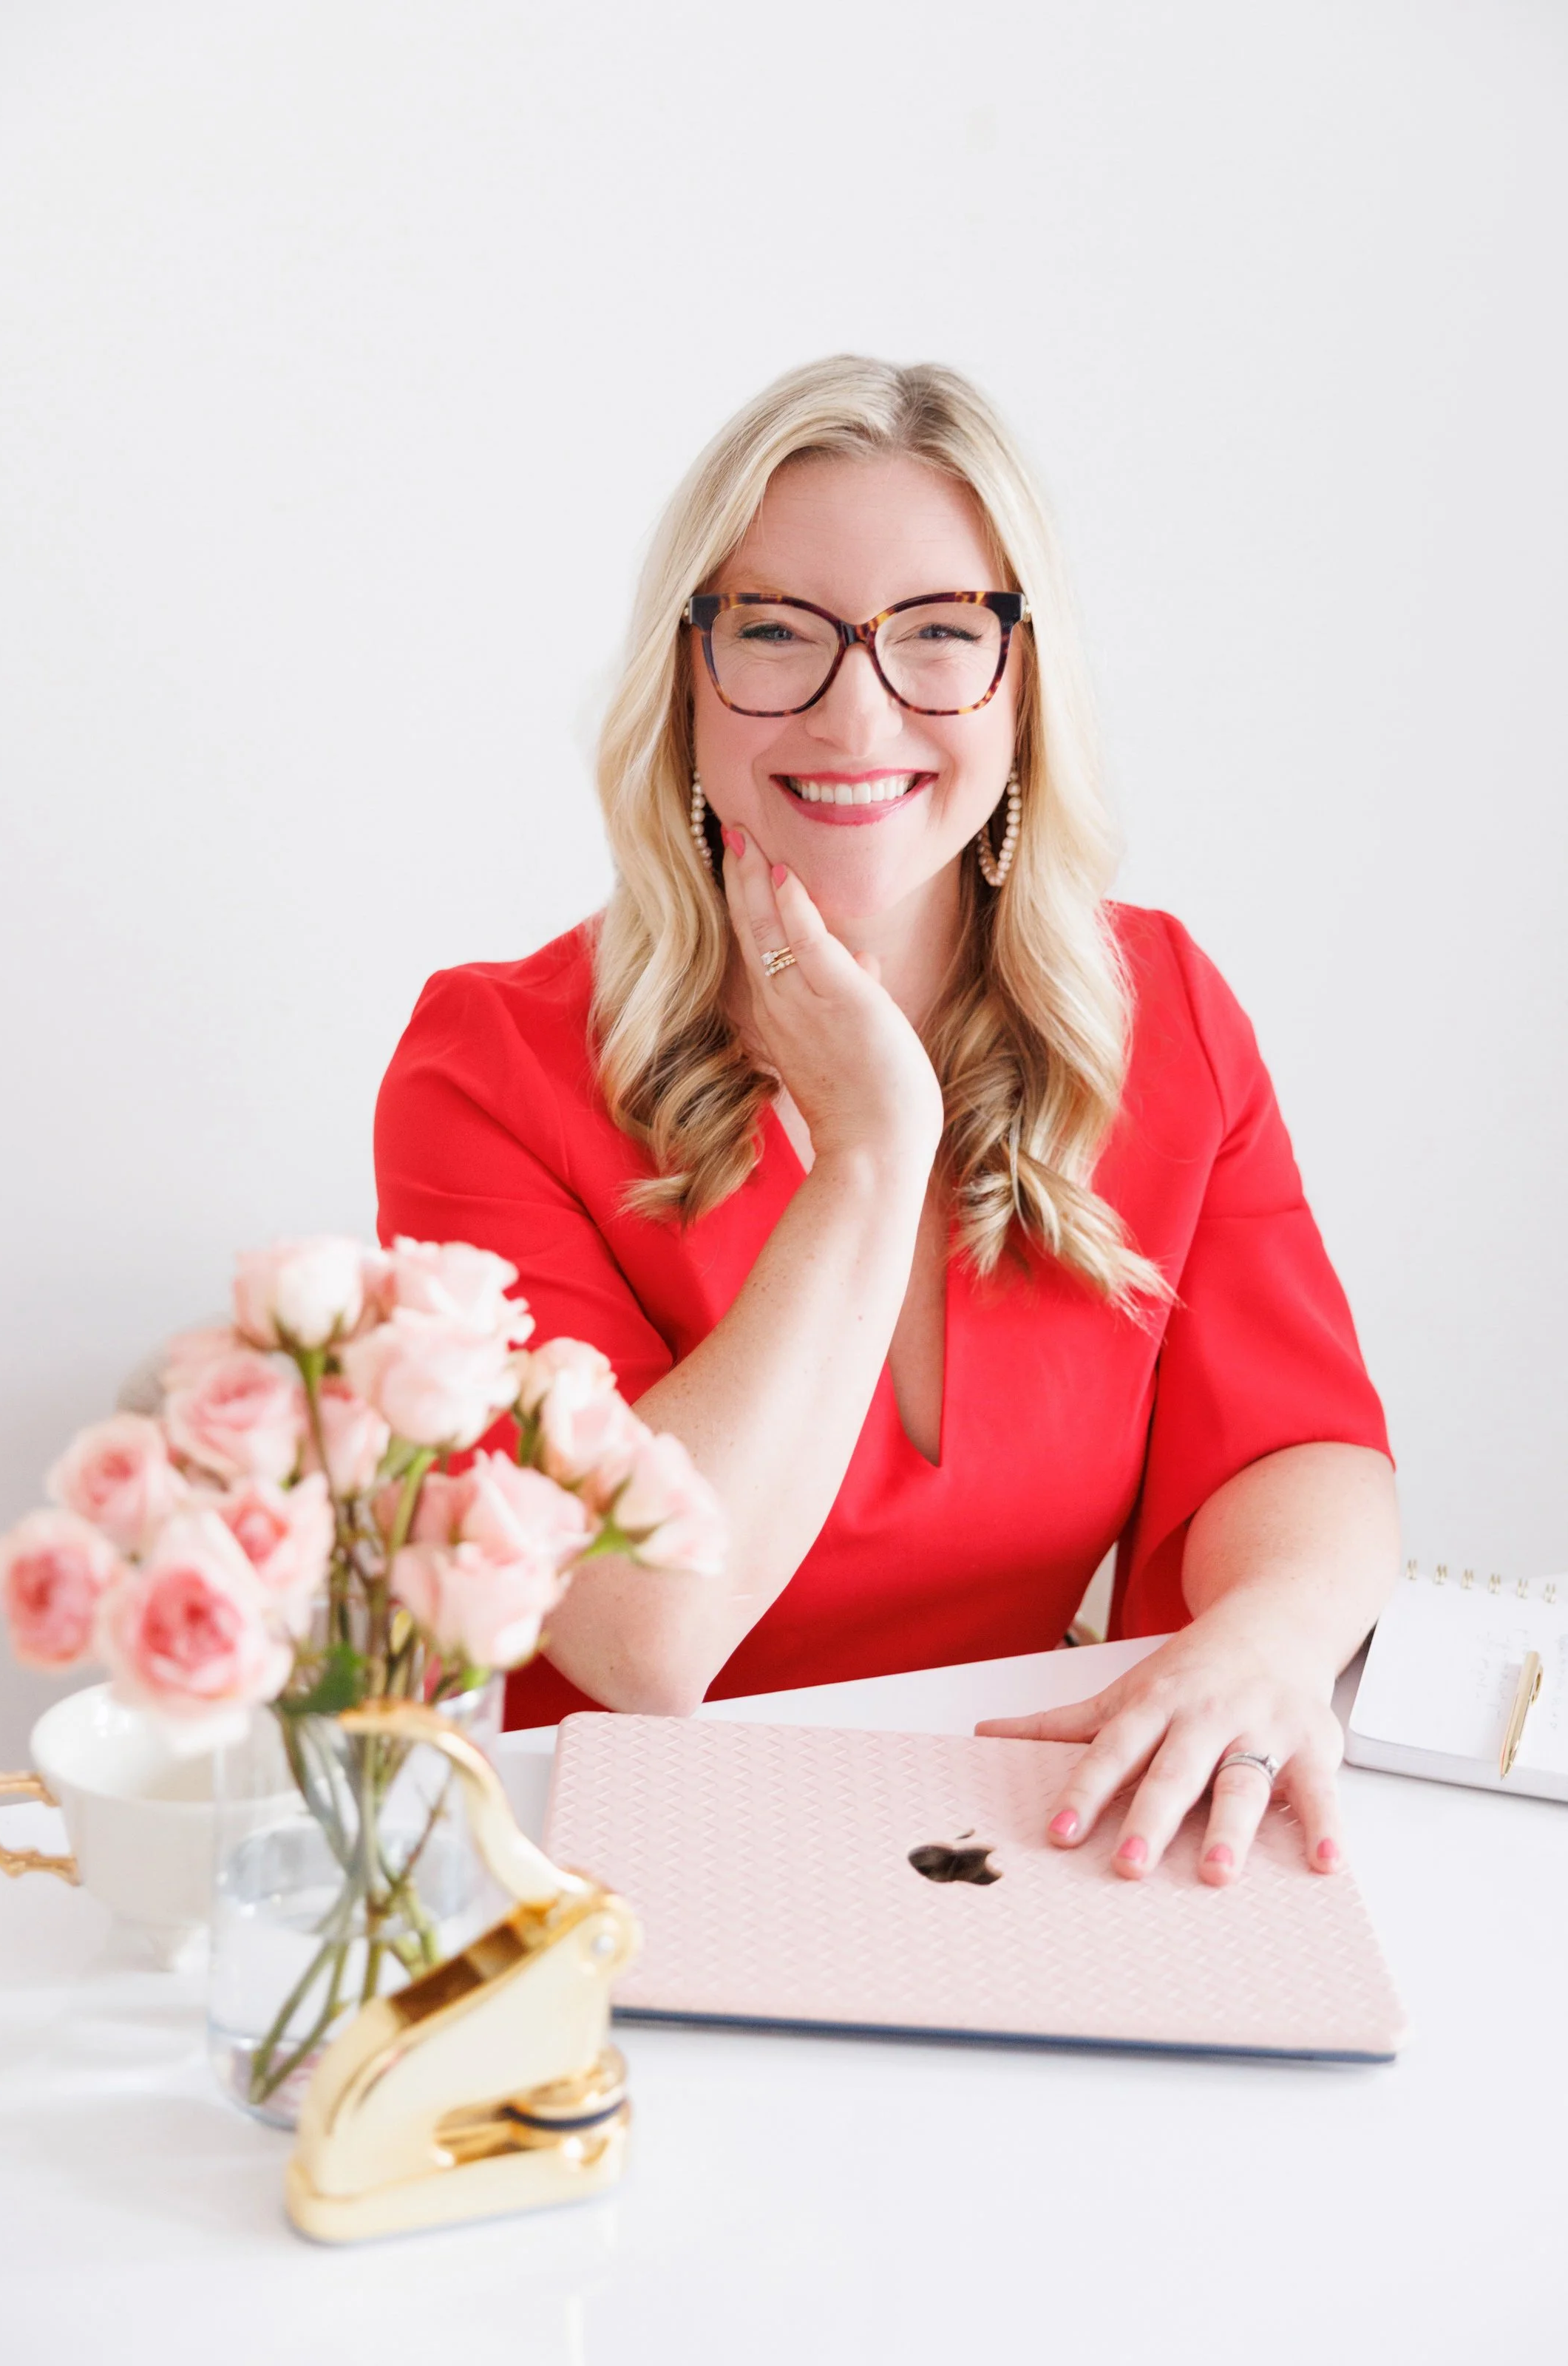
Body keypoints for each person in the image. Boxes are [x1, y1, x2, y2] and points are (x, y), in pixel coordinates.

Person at [376, 356, 1397, 1888]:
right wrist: (867, 1151)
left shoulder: (1159, 1006)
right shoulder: (490, 1066)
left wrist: (1261, 1640)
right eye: (776, 632)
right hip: (595, 1878)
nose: (856, 711)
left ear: (1019, 682)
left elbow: (1298, 1444)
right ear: (687, 678)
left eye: (934, 634)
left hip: (1008, 1850)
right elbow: (644, 1633)